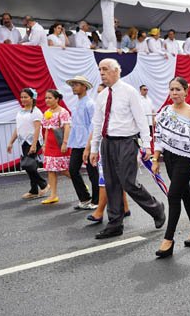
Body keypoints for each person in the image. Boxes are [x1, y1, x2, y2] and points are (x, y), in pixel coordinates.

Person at [89, 58, 166, 239]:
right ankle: (115, 224)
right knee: (111, 184)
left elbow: (141, 120)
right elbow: (98, 123)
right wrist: (94, 148)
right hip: (107, 143)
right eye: (100, 69)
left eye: (105, 69)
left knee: (128, 183)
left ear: (116, 71)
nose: (102, 73)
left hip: (126, 142)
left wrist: (147, 145)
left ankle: (156, 209)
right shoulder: (102, 96)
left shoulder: (129, 92)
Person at [151, 77, 190, 258]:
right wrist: (155, 159)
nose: (174, 93)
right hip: (169, 158)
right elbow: (159, 136)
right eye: (172, 89)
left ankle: (168, 240)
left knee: (174, 195)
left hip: (185, 160)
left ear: (186, 91)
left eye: (178, 89)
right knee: (185, 194)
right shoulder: (166, 111)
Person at [83, 84, 131, 223]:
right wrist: (89, 148)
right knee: (112, 179)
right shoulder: (101, 108)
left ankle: (99, 212)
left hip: (116, 147)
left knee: (105, 180)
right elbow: (96, 129)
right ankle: (125, 207)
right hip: (103, 147)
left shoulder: (117, 108)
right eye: (98, 92)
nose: (100, 94)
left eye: (102, 91)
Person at [7, 88, 49, 199]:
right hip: (24, 141)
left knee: (28, 165)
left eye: (26, 97)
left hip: (33, 141)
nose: (23, 99)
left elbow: (37, 129)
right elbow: (18, 128)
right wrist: (11, 142)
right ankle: (34, 190)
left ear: (32, 98)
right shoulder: (20, 112)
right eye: (22, 97)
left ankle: (43, 184)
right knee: (29, 165)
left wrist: (34, 144)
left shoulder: (36, 112)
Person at [66, 76, 99, 210]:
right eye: (73, 85)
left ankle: (97, 200)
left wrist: (89, 146)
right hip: (77, 143)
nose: (74, 87)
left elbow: (94, 125)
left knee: (92, 172)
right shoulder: (76, 104)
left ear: (84, 87)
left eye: (76, 85)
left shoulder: (90, 104)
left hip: (88, 143)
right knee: (73, 170)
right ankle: (84, 198)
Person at [40, 89, 72, 204]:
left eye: (50, 98)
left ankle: (79, 183)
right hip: (50, 145)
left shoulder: (63, 112)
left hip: (59, 143)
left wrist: (65, 143)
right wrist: (44, 144)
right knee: (50, 170)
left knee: (63, 169)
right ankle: (53, 195)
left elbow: (67, 127)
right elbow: (47, 130)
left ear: (57, 99)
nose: (47, 100)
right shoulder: (47, 112)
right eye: (46, 98)